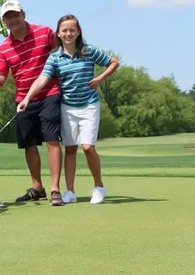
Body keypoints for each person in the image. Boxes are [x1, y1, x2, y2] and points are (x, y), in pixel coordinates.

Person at [17, 14, 119, 204]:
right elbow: (43, 79)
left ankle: (99, 187)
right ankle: (70, 191)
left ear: (78, 32)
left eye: (72, 30)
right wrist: (28, 98)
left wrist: (100, 78)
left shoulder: (88, 51)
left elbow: (114, 62)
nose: (68, 33)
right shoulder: (55, 57)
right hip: (67, 107)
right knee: (70, 148)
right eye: (64, 30)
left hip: (89, 104)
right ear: (58, 33)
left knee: (88, 147)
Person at [0, 0, 64, 206]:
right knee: (29, 144)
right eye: (8, 17)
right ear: (3, 21)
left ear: (23, 14)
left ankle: (55, 188)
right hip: (23, 99)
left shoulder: (45, 32)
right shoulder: (4, 48)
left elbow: (62, 53)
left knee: (51, 139)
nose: (12, 20)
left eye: (15, 15)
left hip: (50, 92)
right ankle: (38, 188)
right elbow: (1, 80)